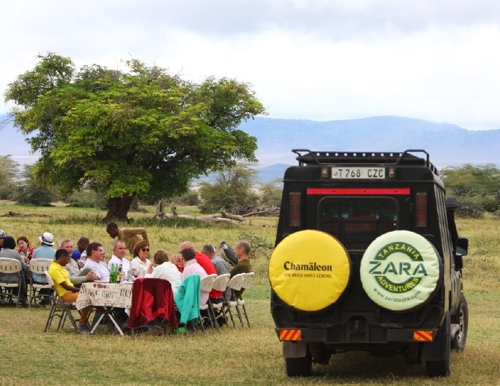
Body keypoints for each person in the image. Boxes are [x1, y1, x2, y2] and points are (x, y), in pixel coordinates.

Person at [48, 248, 92, 334]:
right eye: (67, 259)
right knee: (87, 297)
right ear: (62, 257)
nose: (68, 262)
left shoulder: (59, 267)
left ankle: (86, 321)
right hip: (64, 295)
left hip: (69, 292)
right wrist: (80, 290)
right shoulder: (55, 269)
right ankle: (82, 322)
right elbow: (66, 287)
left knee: (91, 296)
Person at [0, 236, 31, 306]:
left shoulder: (0, 253)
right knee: (23, 274)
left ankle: (2, 298)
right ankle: (22, 298)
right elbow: (24, 267)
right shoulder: (15, 254)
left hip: (2, 279)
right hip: (15, 279)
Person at [32, 232, 57, 305]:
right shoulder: (55, 252)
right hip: (50, 280)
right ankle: (45, 297)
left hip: (36, 278)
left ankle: (43, 294)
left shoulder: (36, 251)